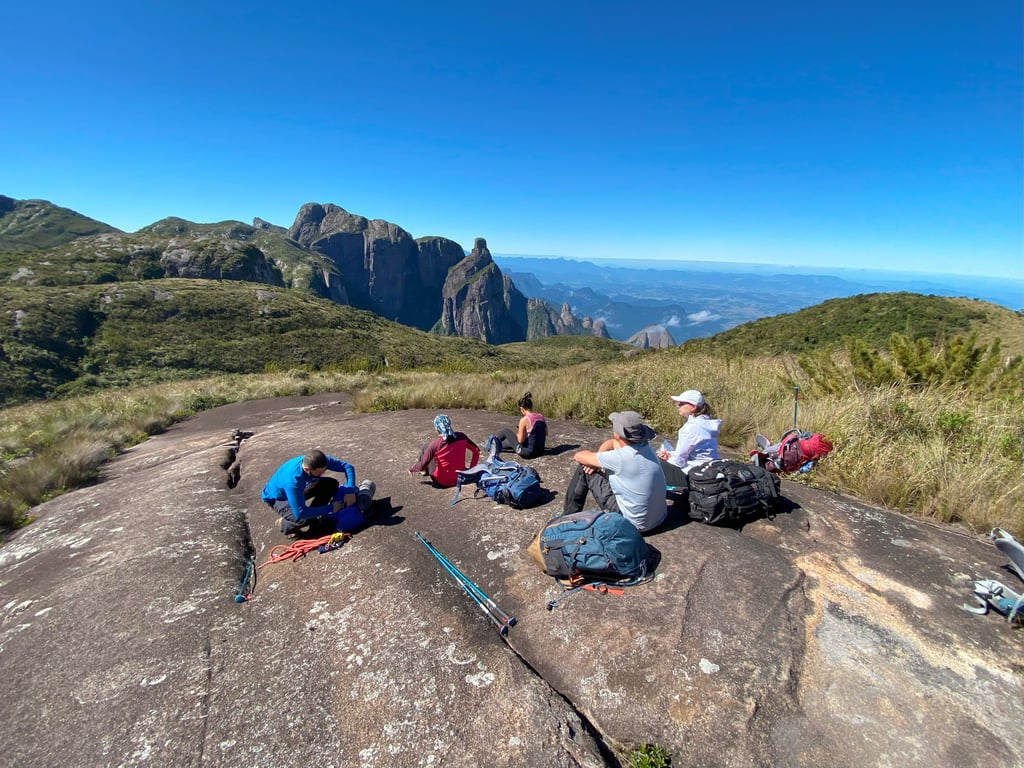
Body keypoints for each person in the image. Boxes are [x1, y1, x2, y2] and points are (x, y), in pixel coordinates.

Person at [563, 410, 667, 533]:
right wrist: (597, 461)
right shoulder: (646, 448)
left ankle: (567, 519)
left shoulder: (620, 458)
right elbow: (612, 443)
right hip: (659, 519)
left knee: (584, 469)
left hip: (632, 525)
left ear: (617, 434)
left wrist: (594, 462)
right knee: (596, 465)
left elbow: (579, 456)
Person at [261, 449, 361, 535]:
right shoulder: (293, 481)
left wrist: (350, 490)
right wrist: (331, 508)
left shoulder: (318, 460)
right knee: (302, 519)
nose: (323, 473)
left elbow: (348, 467)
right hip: (280, 498)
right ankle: (284, 524)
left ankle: (315, 518)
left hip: (302, 489)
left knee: (330, 485)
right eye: (319, 473)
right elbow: (301, 513)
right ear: (306, 469)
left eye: (324, 470)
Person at [656, 389, 721, 489]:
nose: (677, 406)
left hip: (693, 475)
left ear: (693, 407)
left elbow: (679, 461)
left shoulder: (691, 427)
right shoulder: (707, 424)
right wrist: (671, 455)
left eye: (681, 404)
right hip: (708, 471)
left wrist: (668, 458)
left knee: (652, 461)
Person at [408, 414, 480, 488]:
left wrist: (411, 468)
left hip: (441, 482)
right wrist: (471, 470)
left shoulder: (435, 444)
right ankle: (426, 470)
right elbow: (476, 450)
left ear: (437, 428)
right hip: (459, 478)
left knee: (426, 447)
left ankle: (424, 471)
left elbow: (422, 465)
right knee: (431, 449)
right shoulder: (461, 436)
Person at [493, 391, 547, 458]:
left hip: (527, 452)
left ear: (522, 409)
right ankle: (496, 445)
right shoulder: (541, 416)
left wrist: (519, 432)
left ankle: (493, 443)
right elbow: (545, 433)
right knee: (510, 442)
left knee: (506, 431)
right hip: (540, 451)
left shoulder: (524, 420)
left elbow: (520, 440)